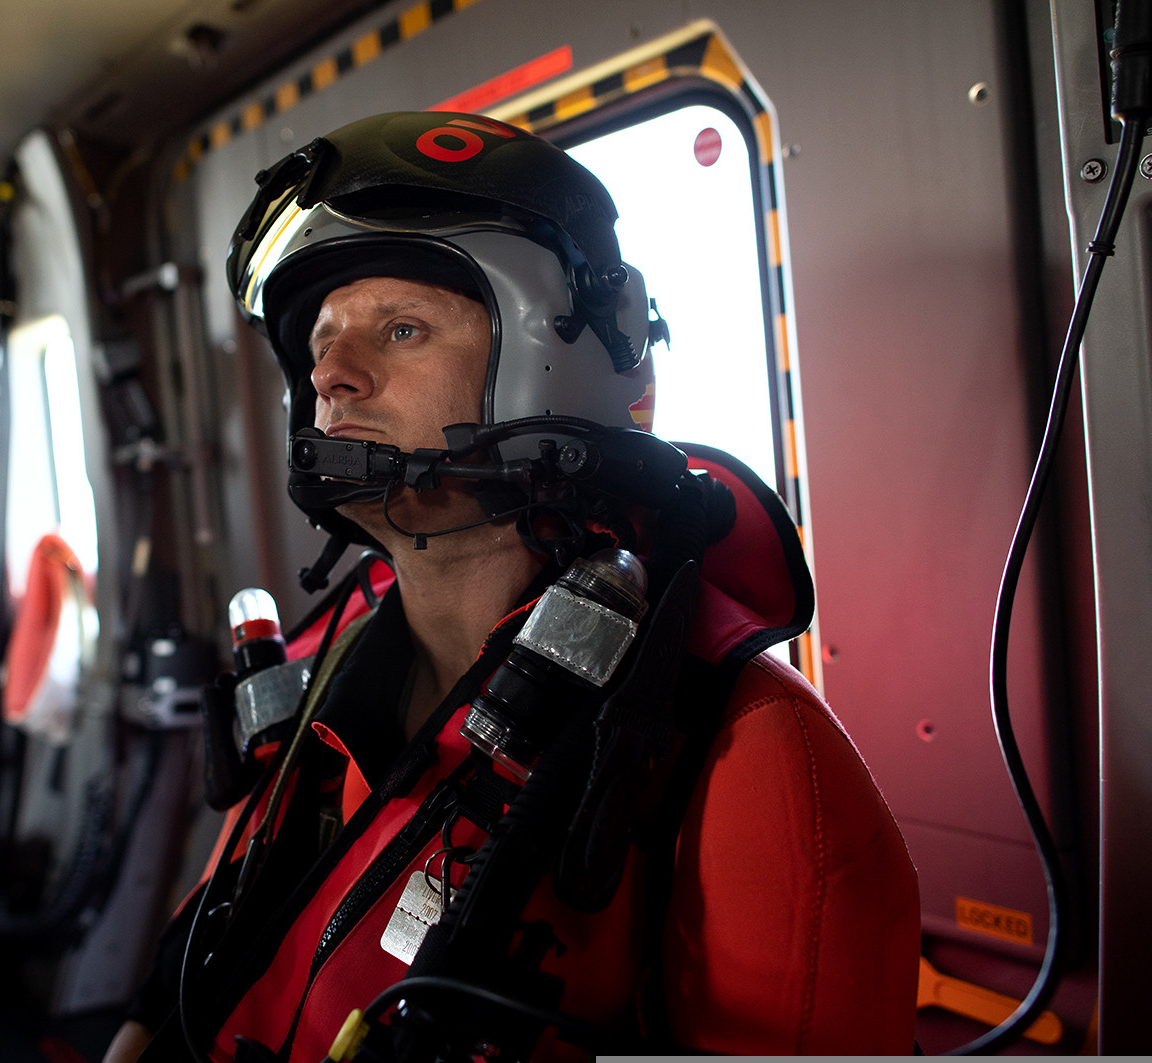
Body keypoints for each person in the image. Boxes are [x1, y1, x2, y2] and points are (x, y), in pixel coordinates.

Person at [104, 110, 919, 1062]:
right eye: (319, 343)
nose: (330, 373)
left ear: (550, 364)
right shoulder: (315, 665)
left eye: (401, 329)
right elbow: (210, 941)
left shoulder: (752, 758)